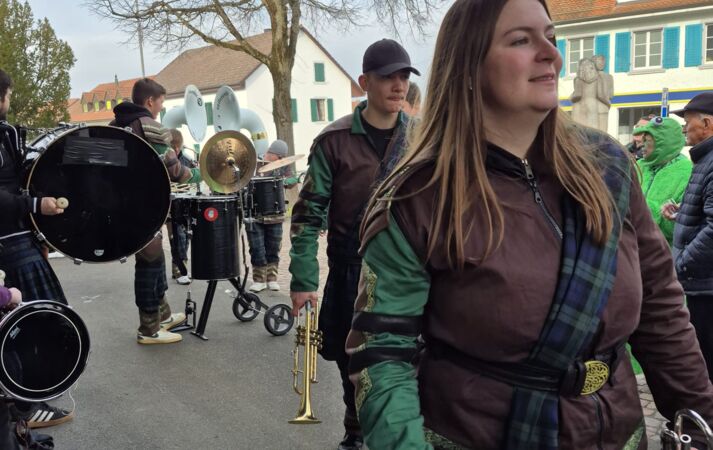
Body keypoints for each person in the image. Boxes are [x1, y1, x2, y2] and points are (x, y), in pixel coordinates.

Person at [345, 1, 713, 449]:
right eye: (521, 40)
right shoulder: (419, 196)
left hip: (617, 434)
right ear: (468, 64)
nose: (552, 54)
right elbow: (382, 355)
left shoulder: (610, 166)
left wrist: (702, 422)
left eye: (551, 39)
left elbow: (661, 309)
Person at [289, 38, 419, 450]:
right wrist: (303, 279)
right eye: (388, 77)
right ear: (365, 82)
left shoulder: (422, 138)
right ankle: (356, 431)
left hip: (409, 273)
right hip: (352, 270)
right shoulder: (335, 140)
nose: (399, 85)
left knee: (410, 362)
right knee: (354, 364)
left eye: (404, 76)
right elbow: (308, 214)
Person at [0, 69, 74, 429]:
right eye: (8, 95)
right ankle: (24, 407)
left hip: (16, 236)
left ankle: (24, 401)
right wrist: (33, 205)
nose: (9, 101)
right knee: (34, 323)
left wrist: (38, 232)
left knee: (33, 320)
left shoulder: (6, 133)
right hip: (7, 241)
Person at [111, 78, 200, 344]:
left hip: (120, 205)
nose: (161, 108)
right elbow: (177, 172)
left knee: (155, 257)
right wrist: (205, 172)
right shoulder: (150, 126)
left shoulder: (115, 125)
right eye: (161, 102)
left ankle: (162, 316)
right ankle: (149, 329)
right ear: (150, 101)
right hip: (142, 208)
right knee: (149, 263)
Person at [664, 92, 713, 383]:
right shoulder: (704, 159)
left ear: (707, 124)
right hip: (702, 281)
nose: (684, 128)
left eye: (688, 122)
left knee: (707, 359)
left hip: (706, 284)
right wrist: (682, 213)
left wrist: (683, 261)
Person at [246, 139, 298, 293]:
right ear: (271, 154)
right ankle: (259, 280)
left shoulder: (284, 166)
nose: (281, 160)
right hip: (255, 213)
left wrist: (284, 180)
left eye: (283, 158)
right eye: (279, 157)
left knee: (273, 247)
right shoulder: (255, 165)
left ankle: (271, 279)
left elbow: (293, 180)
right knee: (257, 248)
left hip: (275, 214)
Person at [633, 116, 692, 245]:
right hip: (632, 247)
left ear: (664, 143)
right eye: (643, 139)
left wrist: (641, 207)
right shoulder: (639, 166)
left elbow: (679, 227)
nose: (642, 144)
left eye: (647, 140)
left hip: (663, 251)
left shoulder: (687, 172)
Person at [166, 129, 195, 286]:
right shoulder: (164, 160)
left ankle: (180, 268)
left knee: (184, 237)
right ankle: (180, 270)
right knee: (177, 239)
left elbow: (192, 181)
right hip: (170, 206)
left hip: (184, 205)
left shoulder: (187, 161)